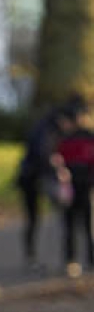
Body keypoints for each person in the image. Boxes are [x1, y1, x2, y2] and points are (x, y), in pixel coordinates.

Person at [15, 98, 81, 272]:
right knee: (37, 218)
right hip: (34, 179)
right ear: (64, 120)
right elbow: (42, 154)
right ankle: (33, 257)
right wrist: (57, 167)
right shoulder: (48, 130)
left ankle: (38, 257)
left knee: (38, 218)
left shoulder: (49, 127)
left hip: (37, 178)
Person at [55, 100, 94, 278]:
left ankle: (79, 260)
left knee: (80, 226)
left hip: (81, 186)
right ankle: (73, 260)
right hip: (73, 187)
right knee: (77, 226)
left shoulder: (85, 138)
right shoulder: (68, 138)